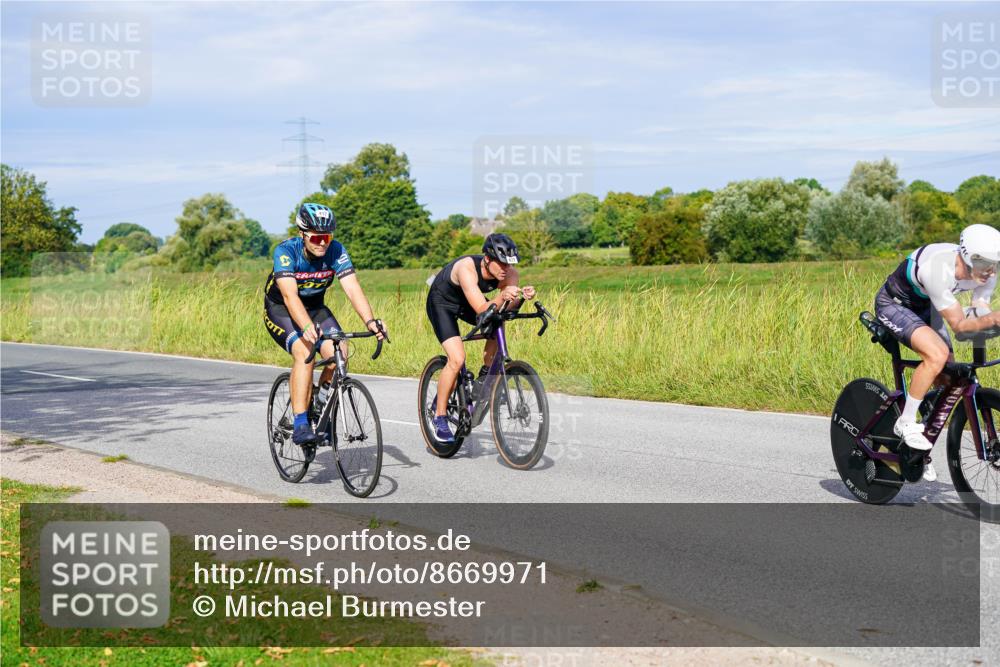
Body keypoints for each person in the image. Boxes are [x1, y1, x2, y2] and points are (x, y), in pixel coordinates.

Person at [875, 223, 1000, 480]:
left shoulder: (988, 272)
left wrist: (989, 322)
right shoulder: (937, 269)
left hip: (930, 307)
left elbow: (979, 309)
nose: (991, 271)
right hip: (895, 304)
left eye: (996, 264)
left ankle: (921, 435)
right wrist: (991, 320)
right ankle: (906, 422)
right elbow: (959, 325)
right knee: (937, 355)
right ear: (968, 258)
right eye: (987, 264)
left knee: (950, 375)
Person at [263, 202, 386, 446]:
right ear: (302, 234)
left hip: (316, 308)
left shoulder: (335, 250)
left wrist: (370, 321)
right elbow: (290, 296)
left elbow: (352, 288)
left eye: (327, 237)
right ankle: (300, 423)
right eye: (317, 237)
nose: (322, 243)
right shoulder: (286, 252)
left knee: (340, 352)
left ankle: (320, 406)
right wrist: (306, 327)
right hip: (281, 309)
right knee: (305, 352)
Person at [425, 233, 536, 443]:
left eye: (508, 264)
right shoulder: (466, 268)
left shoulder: (510, 273)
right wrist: (502, 296)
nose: (505, 269)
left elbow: (506, 308)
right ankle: (439, 417)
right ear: (487, 259)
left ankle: (485, 377)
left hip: (468, 301)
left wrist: (520, 297)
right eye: (501, 263)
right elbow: (481, 308)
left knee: (498, 319)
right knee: (457, 359)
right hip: (442, 303)